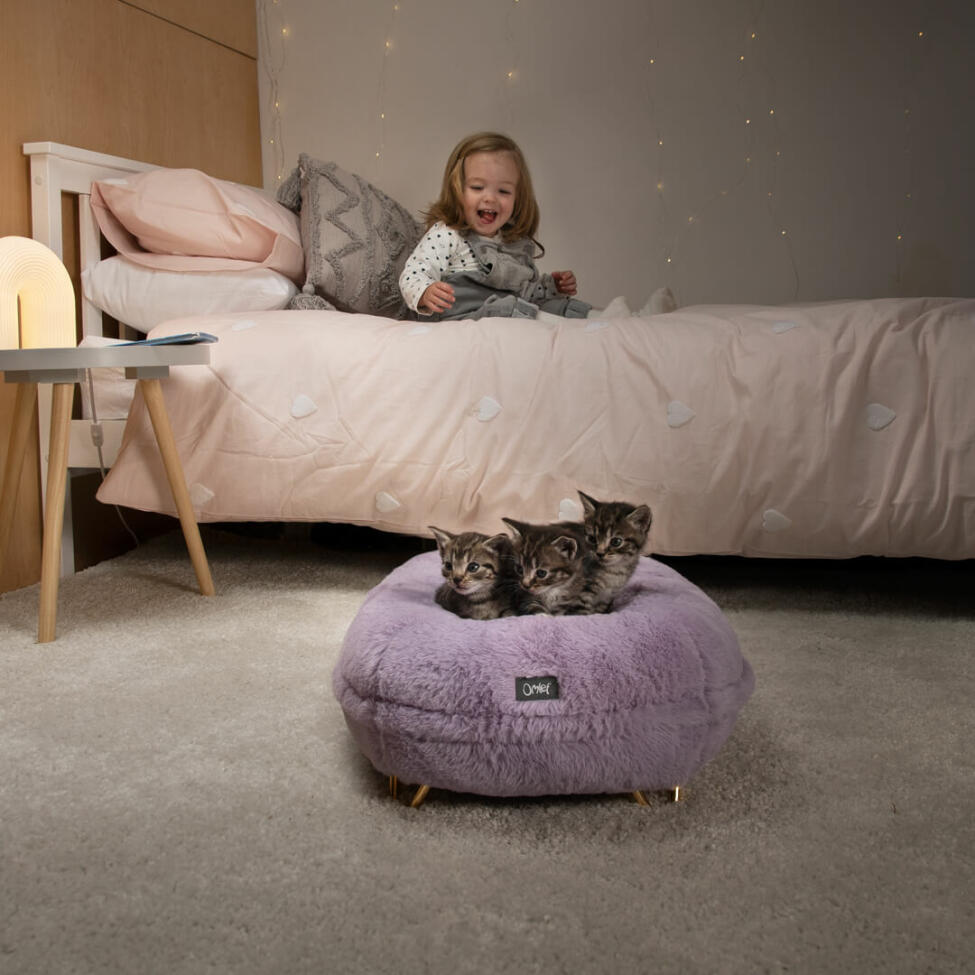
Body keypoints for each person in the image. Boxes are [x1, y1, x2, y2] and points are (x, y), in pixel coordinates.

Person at [399, 132, 594, 322]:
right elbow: (413, 275)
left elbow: (525, 293)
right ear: (457, 189)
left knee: (554, 308)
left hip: (512, 312)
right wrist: (425, 292)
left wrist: (552, 287)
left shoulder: (513, 243)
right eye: (477, 187)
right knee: (512, 310)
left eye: (503, 191)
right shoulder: (448, 234)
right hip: (465, 320)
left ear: (518, 197)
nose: (490, 198)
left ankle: (590, 324)